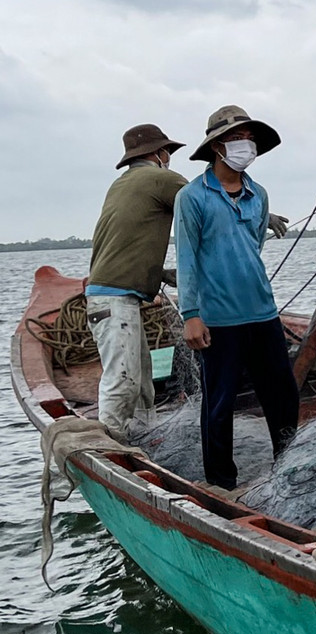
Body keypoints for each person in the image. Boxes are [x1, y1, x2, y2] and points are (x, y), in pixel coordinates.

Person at [175, 105, 299, 491]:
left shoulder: (257, 194)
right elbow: (187, 258)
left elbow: (254, 246)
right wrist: (191, 314)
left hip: (262, 312)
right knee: (219, 405)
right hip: (217, 319)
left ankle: (289, 469)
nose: (246, 146)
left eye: (250, 139)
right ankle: (221, 483)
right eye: (236, 139)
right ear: (216, 147)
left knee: (282, 397)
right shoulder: (192, 197)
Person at [86, 124, 188, 442]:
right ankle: (108, 450)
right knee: (124, 381)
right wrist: (260, 213)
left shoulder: (122, 184)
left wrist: (161, 275)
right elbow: (206, 201)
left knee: (142, 384)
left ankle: (143, 442)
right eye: (167, 152)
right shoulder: (161, 178)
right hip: (114, 301)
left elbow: (126, 245)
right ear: (157, 154)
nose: (169, 158)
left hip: (110, 297)